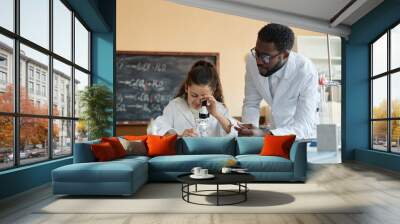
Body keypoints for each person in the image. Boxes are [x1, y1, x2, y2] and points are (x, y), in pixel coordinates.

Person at [236, 23, 319, 139]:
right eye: (257, 53)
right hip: (274, 133)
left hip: (301, 137)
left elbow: (304, 125)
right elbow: (251, 103)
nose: (258, 61)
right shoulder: (251, 61)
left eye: (265, 57)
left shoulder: (305, 71)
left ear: (284, 55)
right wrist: (249, 134)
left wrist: (265, 134)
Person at [149, 60, 237, 137]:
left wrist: (216, 114)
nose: (198, 101)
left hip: (213, 155)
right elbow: (155, 131)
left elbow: (234, 133)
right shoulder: (175, 106)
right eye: (194, 95)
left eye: (203, 97)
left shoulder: (220, 109)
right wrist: (179, 137)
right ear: (187, 88)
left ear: (212, 91)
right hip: (182, 156)